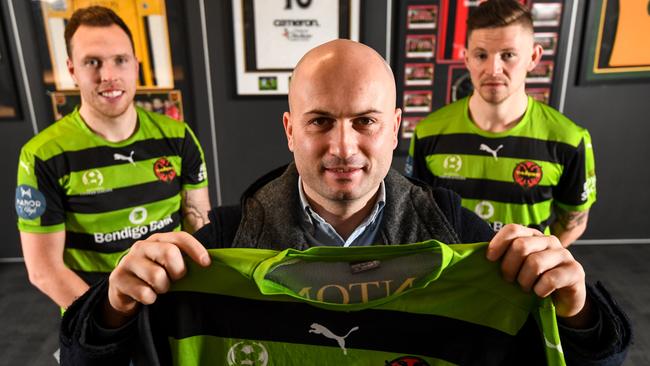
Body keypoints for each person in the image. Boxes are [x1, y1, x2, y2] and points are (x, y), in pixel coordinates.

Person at [60, 40, 629, 365]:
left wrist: (579, 314)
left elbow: (585, 361)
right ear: (289, 129)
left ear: (396, 128)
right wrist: (110, 308)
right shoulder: (218, 246)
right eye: (320, 122)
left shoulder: (465, 239)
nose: (343, 147)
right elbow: (94, 361)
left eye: (365, 121)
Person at [15, 6, 211, 311]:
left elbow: (199, 223)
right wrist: (111, 320)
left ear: (135, 65)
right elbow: (44, 271)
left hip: (174, 307)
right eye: (92, 62)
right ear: (72, 70)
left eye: (120, 60)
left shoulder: (178, 136)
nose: (108, 75)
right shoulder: (43, 155)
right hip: (97, 315)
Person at [406, 0, 596, 247]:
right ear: (466, 58)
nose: (493, 69)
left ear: (534, 57)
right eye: (481, 55)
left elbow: (574, 220)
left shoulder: (569, 139)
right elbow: (417, 214)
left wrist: (532, 260)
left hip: (524, 281)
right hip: (451, 279)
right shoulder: (428, 133)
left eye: (508, 55)